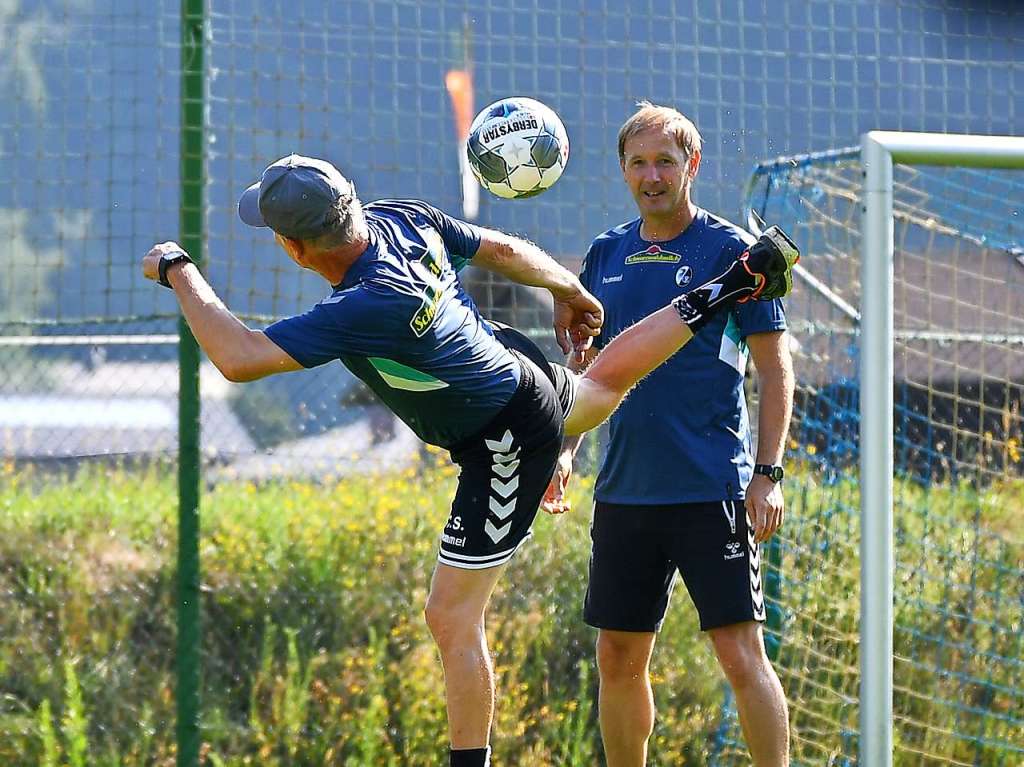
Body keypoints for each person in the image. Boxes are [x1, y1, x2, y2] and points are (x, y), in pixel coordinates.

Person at [142, 153, 797, 766]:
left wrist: (180, 268)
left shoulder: (358, 307)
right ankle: (735, 282)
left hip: (501, 440)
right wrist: (567, 287)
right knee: (601, 387)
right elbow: (504, 249)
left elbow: (238, 356)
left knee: (451, 614)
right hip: (517, 370)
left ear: (295, 248)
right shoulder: (400, 217)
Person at [544, 102, 795, 766]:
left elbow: (774, 367)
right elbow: (589, 370)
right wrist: (565, 449)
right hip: (625, 492)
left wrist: (766, 475)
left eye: (666, 161)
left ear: (693, 166)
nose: (652, 175)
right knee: (618, 655)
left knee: (740, 652)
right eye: (639, 162)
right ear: (622, 170)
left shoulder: (733, 253)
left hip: (712, 489)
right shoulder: (605, 254)